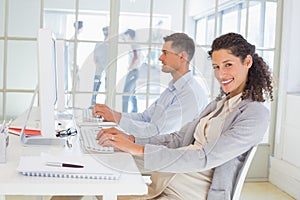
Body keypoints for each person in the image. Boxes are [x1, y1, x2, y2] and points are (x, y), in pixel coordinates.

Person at [96, 32, 274, 199]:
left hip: (188, 193)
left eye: (228, 65)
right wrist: (132, 139)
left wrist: (138, 149)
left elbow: (205, 156)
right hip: (167, 182)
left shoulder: (255, 114)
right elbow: (178, 139)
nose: (220, 74)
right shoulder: (218, 105)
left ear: (247, 62)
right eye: (216, 67)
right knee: (101, 182)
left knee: (105, 189)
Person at [93, 32, 208, 137]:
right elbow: (145, 118)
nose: (160, 58)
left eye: (165, 53)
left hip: (163, 155)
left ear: (182, 57)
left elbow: (156, 131)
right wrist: (112, 114)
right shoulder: (173, 88)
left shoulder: (190, 94)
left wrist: (116, 119)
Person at [122, 29, 141, 113]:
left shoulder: (133, 44)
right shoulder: (136, 44)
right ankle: (134, 111)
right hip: (135, 71)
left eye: (126, 36)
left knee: (125, 94)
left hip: (133, 71)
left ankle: (124, 112)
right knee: (133, 93)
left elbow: (135, 57)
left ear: (129, 35)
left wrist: (129, 67)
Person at [91, 26, 109, 106]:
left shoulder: (98, 44)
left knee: (95, 89)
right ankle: (107, 105)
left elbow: (94, 59)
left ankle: (93, 105)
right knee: (107, 89)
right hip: (106, 70)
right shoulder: (111, 46)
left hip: (100, 70)